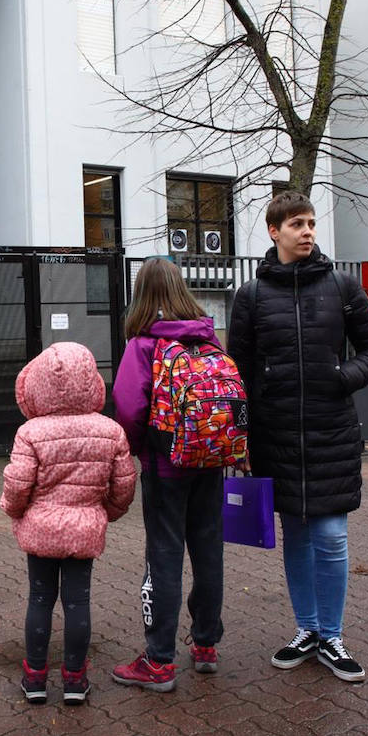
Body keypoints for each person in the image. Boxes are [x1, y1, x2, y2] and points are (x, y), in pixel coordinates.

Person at [226, 191, 368, 682]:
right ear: (274, 231)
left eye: (312, 223)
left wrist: (342, 376)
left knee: (332, 536)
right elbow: (240, 373)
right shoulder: (251, 297)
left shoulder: (342, 287)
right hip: (275, 436)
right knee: (295, 534)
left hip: (330, 434)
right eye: (297, 223)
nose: (308, 231)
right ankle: (308, 630)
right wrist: (244, 440)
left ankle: (332, 636)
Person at [110, 258, 228, 692]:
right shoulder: (208, 336)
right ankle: (206, 644)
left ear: (142, 295)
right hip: (212, 459)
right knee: (208, 548)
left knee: (163, 555)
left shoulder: (145, 344)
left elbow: (128, 408)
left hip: (166, 466)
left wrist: (138, 446)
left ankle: (159, 660)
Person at [1, 342, 137, 705]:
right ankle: (75, 680)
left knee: (40, 599)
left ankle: (34, 678)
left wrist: (15, 512)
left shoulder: (30, 433)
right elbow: (123, 486)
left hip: (40, 529)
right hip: (84, 528)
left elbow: (17, 486)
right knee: (78, 603)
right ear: (91, 382)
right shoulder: (109, 431)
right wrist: (103, 513)